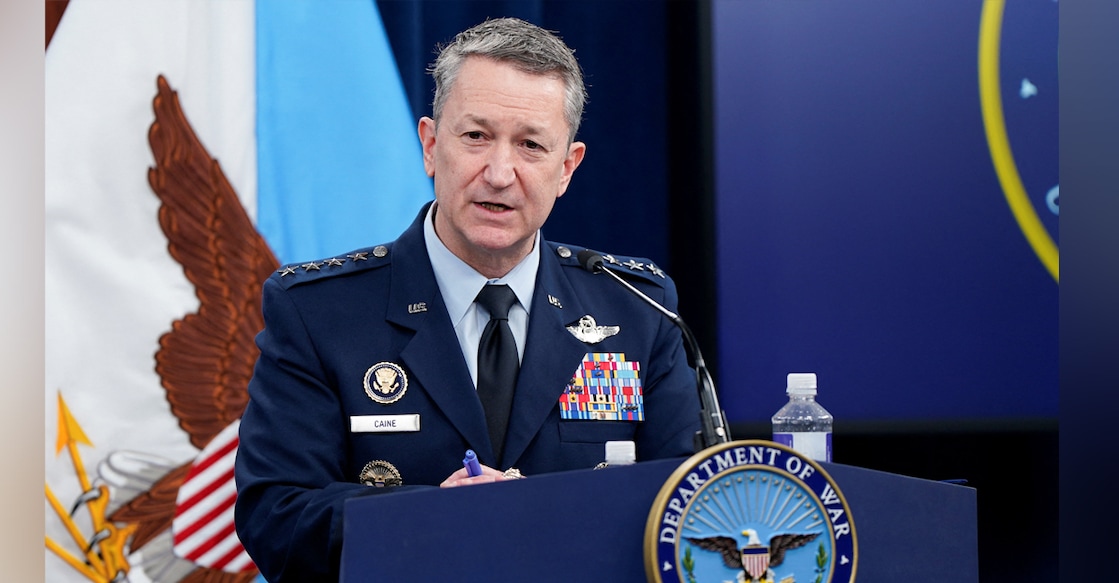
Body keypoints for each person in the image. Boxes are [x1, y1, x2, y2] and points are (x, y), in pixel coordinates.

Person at [234, 17, 700, 582]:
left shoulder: (637, 309)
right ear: (431, 145)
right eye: (476, 136)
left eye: (530, 145)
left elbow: (690, 507)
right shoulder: (316, 311)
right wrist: (431, 521)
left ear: (567, 169)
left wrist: (544, 520)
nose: (499, 173)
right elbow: (276, 514)